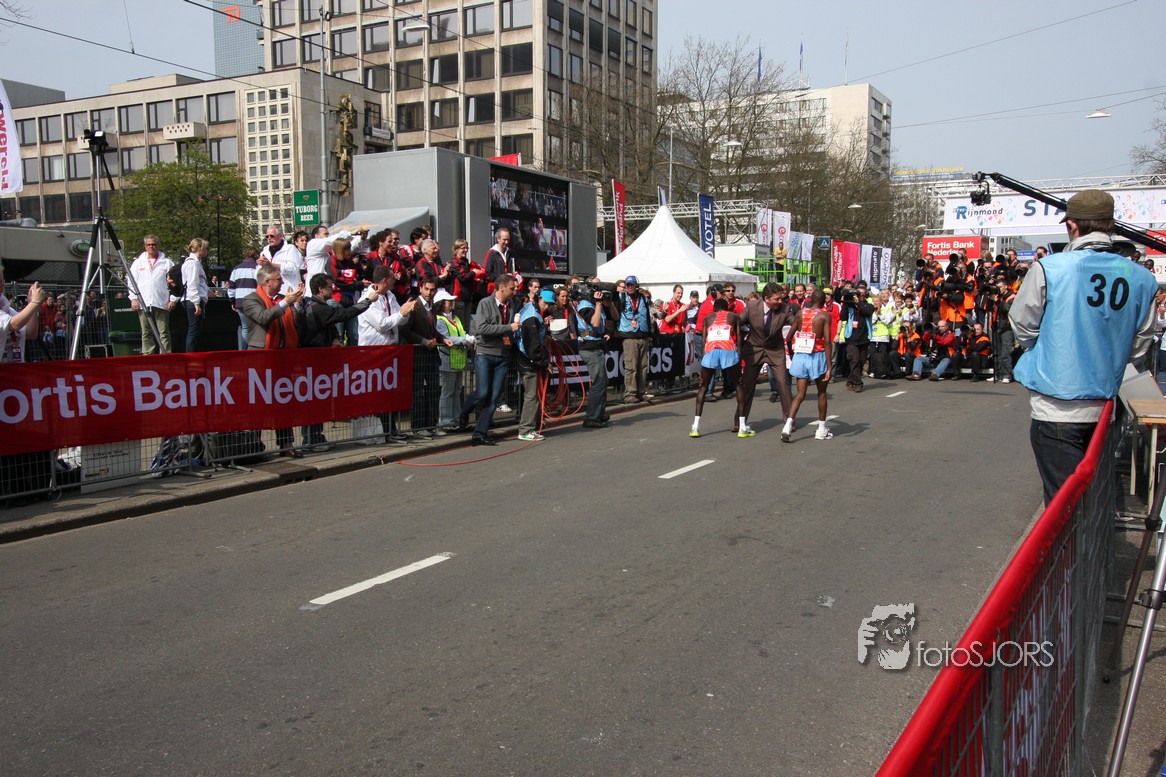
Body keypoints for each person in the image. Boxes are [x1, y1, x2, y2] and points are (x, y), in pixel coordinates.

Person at [1011, 189, 1157, 504]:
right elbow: (1141, 343)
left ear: (1072, 225)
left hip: (1055, 406)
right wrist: (1109, 355)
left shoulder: (1049, 267)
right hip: (1105, 405)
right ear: (1110, 225)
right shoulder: (1142, 278)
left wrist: (1050, 347)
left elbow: (1022, 324)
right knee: (1094, 501)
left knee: (1065, 509)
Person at [298, 273, 377, 451]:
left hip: (319, 360)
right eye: (329, 286)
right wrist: (367, 301)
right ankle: (311, 440)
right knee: (313, 402)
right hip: (313, 360)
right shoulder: (317, 307)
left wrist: (334, 338)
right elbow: (343, 314)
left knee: (319, 400)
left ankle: (316, 437)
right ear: (320, 289)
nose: (332, 288)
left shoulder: (320, 307)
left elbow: (331, 324)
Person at [240, 265, 305, 457]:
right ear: (267, 281)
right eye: (279, 279)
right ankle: (254, 446)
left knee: (284, 401)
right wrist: (286, 302)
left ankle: (286, 444)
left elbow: (297, 322)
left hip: (283, 357)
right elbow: (263, 317)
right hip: (261, 358)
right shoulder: (251, 299)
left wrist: (297, 305)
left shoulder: (283, 299)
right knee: (259, 403)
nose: (282, 282)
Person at [459, 273, 520, 446]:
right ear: (501, 288)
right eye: (512, 288)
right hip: (485, 354)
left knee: (493, 397)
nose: (515, 291)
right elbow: (482, 328)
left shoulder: (511, 305)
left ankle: (480, 433)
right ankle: (464, 411)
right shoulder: (485, 303)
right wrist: (508, 328)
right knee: (483, 392)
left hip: (503, 355)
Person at [359, 265, 418, 444]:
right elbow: (382, 324)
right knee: (377, 394)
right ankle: (384, 431)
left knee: (389, 393)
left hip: (390, 350)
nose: (395, 281)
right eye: (393, 278)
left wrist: (405, 313)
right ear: (384, 280)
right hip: (374, 353)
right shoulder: (367, 299)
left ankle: (390, 430)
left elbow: (399, 320)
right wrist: (401, 313)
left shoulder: (390, 295)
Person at [738, 282, 799, 435]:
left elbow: (796, 323)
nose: (780, 301)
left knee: (783, 384)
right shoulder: (752, 306)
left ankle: (789, 420)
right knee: (747, 385)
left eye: (781, 298)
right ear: (766, 298)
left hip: (775, 350)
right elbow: (738, 322)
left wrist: (790, 337)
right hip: (754, 349)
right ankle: (740, 421)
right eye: (776, 299)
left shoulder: (785, 309)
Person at [783, 289, 834, 442]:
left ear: (811, 299)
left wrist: (792, 353)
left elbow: (789, 337)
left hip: (800, 355)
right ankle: (821, 429)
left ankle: (787, 426)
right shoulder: (824, 316)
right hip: (817, 356)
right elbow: (827, 342)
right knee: (821, 393)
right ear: (824, 301)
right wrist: (830, 366)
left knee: (800, 394)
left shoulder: (800, 313)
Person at [691, 298, 743, 438]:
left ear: (714, 309)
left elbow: (703, 340)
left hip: (711, 350)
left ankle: (695, 426)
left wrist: (704, 360)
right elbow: (739, 338)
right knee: (738, 385)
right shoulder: (734, 316)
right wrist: (739, 357)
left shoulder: (708, 318)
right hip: (728, 349)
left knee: (703, 387)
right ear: (727, 308)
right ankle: (742, 427)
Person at [402, 278, 447, 438]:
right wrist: (423, 341)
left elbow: (432, 330)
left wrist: (443, 339)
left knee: (433, 391)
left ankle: (432, 425)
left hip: (431, 356)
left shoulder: (432, 307)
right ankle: (418, 427)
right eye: (426, 289)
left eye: (432, 290)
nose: (429, 293)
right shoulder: (414, 306)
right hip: (418, 356)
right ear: (420, 288)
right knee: (418, 393)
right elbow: (405, 330)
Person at [569, 286, 612, 429]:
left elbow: (611, 318)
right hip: (589, 347)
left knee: (602, 381)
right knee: (598, 382)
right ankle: (592, 417)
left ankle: (599, 413)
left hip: (596, 345)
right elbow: (595, 323)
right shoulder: (585, 306)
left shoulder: (592, 305)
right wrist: (598, 304)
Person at [516, 289, 554, 441]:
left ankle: (535, 424)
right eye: (546, 303)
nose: (547, 306)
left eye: (550, 304)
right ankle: (526, 429)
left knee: (533, 394)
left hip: (527, 357)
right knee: (531, 395)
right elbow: (532, 344)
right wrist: (544, 363)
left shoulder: (532, 310)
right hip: (527, 359)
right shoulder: (532, 316)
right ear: (539, 299)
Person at [127, 234, 175, 355]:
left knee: (164, 332)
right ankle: (148, 355)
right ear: (145, 246)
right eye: (148, 244)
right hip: (144, 301)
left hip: (162, 301)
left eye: (153, 244)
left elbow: (175, 283)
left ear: (158, 245)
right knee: (146, 332)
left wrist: (173, 299)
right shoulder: (138, 263)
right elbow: (131, 281)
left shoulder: (167, 263)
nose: (151, 247)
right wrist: (133, 298)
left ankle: (165, 355)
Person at [434, 289, 474, 431]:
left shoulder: (454, 318)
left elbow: (461, 333)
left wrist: (467, 338)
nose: (452, 303)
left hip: (457, 359)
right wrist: (466, 340)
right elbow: (447, 337)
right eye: (449, 301)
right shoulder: (440, 319)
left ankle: (456, 419)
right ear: (441, 303)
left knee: (456, 390)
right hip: (447, 359)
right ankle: (446, 421)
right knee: (448, 391)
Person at [614, 275, 654, 404]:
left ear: (636, 285)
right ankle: (630, 394)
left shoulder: (643, 298)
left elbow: (646, 315)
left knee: (643, 367)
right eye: (628, 285)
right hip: (629, 336)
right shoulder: (621, 297)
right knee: (631, 367)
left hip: (643, 335)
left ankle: (641, 392)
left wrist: (649, 334)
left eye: (632, 284)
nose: (630, 287)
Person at [0, 268, 46, 363]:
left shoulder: (8, 310)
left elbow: (31, 333)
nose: (2, 285)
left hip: (16, 369)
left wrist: (31, 301)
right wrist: (34, 302)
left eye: (2, 281)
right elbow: (13, 324)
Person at [841, 288, 875, 393]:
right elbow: (843, 317)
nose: (858, 297)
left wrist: (858, 303)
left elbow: (868, 312)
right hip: (851, 337)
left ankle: (851, 380)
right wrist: (845, 303)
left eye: (860, 295)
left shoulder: (868, 305)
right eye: (856, 295)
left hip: (864, 337)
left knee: (861, 361)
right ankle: (858, 383)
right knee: (854, 360)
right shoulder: (849, 305)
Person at [180, 238, 210, 353]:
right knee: (193, 330)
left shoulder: (195, 263)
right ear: (199, 248)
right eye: (205, 248)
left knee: (195, 330)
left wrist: (207, 291)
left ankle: (192, 354)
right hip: (193, 300)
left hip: (193, 299)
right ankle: (190, 356)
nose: (207, 251)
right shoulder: (193, 264)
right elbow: (192, 284)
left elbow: (198, 283)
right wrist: (196, 303)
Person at [258, 225, 305, 296]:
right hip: (271, 293)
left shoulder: (290, 249)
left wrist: (271, 265)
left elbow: (293, 268)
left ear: (280, 236)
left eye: (272, 236)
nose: (269, 238)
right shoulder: (265, 251)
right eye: (267, 236)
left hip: (289, 291)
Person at [228, 247, 259, 349]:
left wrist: (233, 301)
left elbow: (231, 287)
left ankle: (243, 351)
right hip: (254, 301)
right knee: (256, 327)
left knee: (245, 328)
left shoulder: (236, 269)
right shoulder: (257, 268)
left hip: (240, 301)